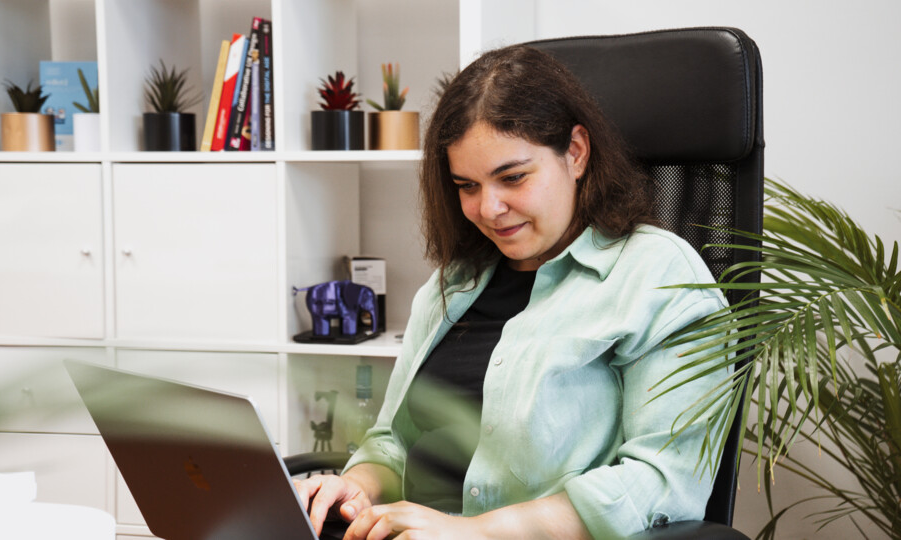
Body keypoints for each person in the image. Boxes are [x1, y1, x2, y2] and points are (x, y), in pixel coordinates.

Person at [294, 44, 731, 539]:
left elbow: (661, 482)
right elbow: (392, 442)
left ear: (577, 152)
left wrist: (475, 532)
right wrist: (358, 486)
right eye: (467, 186)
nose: (489, 209)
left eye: (512, 177)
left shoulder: (657, 276)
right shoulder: (454, 284)